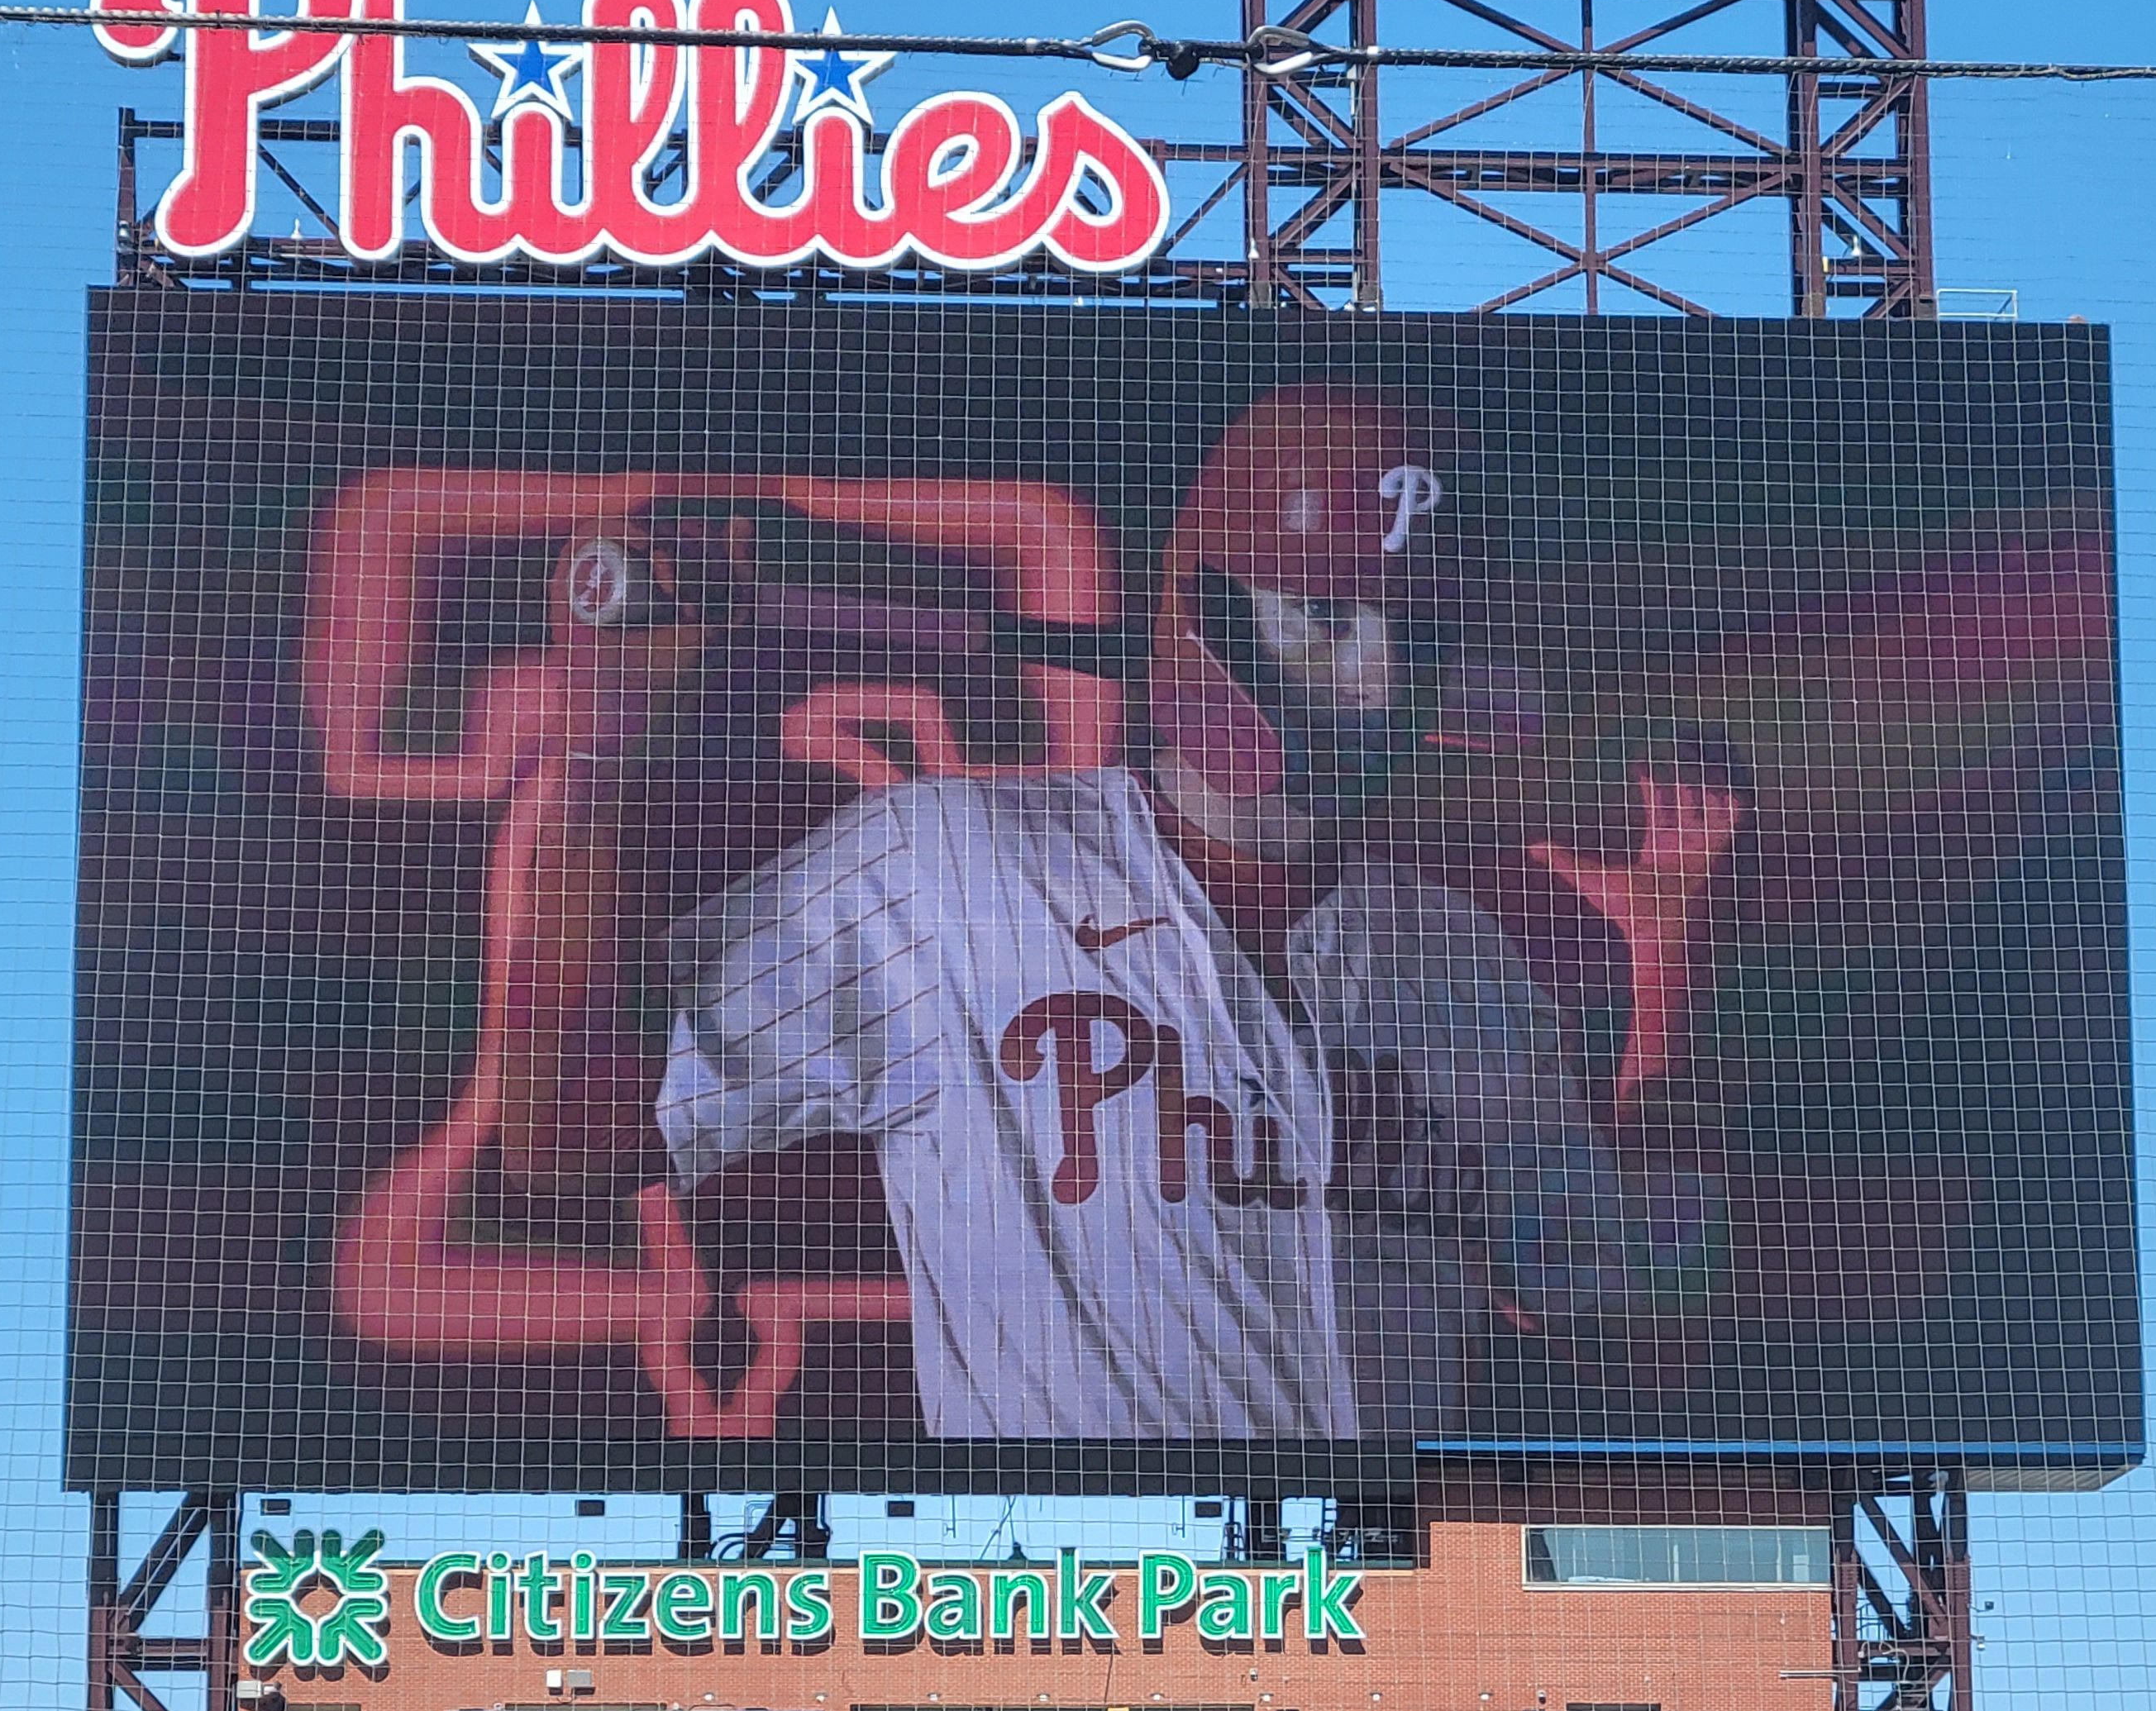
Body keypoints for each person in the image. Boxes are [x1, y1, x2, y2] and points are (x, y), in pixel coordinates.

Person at [656, 385, 1705, 1438]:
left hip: (1388, 1585)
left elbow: (1635, 1314)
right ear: (1200, 604)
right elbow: (576, 1139)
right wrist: (600, 739)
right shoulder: (949, 866)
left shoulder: (1456, 954)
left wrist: (1668, 952)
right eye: (1325, 619)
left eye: (1416, 634)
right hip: (1072, 1577)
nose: (1377, 683)